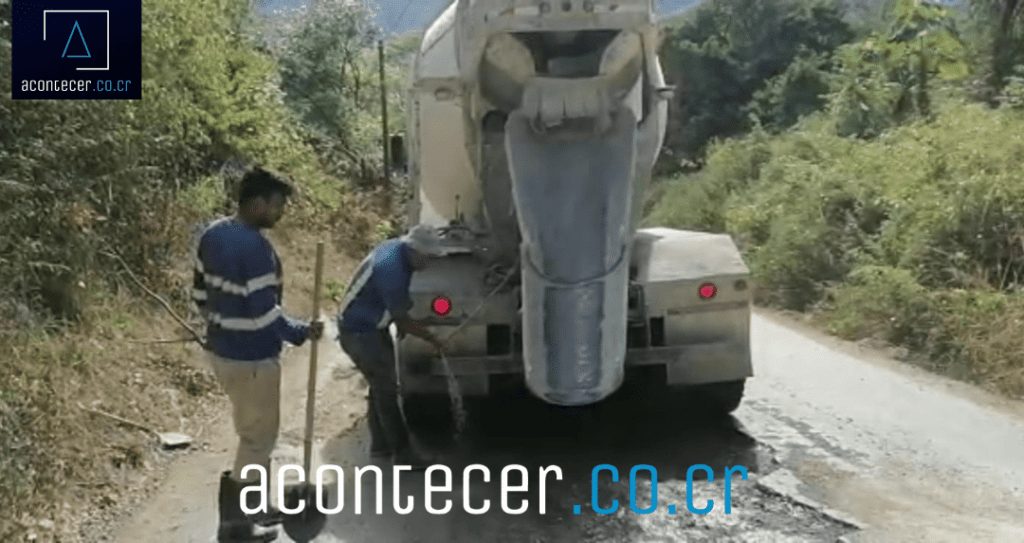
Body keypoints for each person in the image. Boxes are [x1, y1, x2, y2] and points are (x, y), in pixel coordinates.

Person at [192, 166, 324, 542]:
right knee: (257, 442)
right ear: (257, 202)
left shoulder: (212, 234)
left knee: (252, 434)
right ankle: (236, 528)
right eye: (277, 204)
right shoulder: (255, 248)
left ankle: (252, 511)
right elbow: (266, 314)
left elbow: (200, 296)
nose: (280, 212)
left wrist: (222, 325)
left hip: (223, 353)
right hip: (251, 360)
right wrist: (301, 332)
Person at [335, 224, 447, 469]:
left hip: (369, 327)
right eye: (428, 257)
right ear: (415, 251)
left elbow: (400, 313)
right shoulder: (392, 269)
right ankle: (403, 453)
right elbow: (402, 319)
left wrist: (414, 324)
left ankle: (381, 447)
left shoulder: (395, 251)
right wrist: (432, 339)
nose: (430, 263)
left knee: (380, 387)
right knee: (387, 391)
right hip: (360, 333)